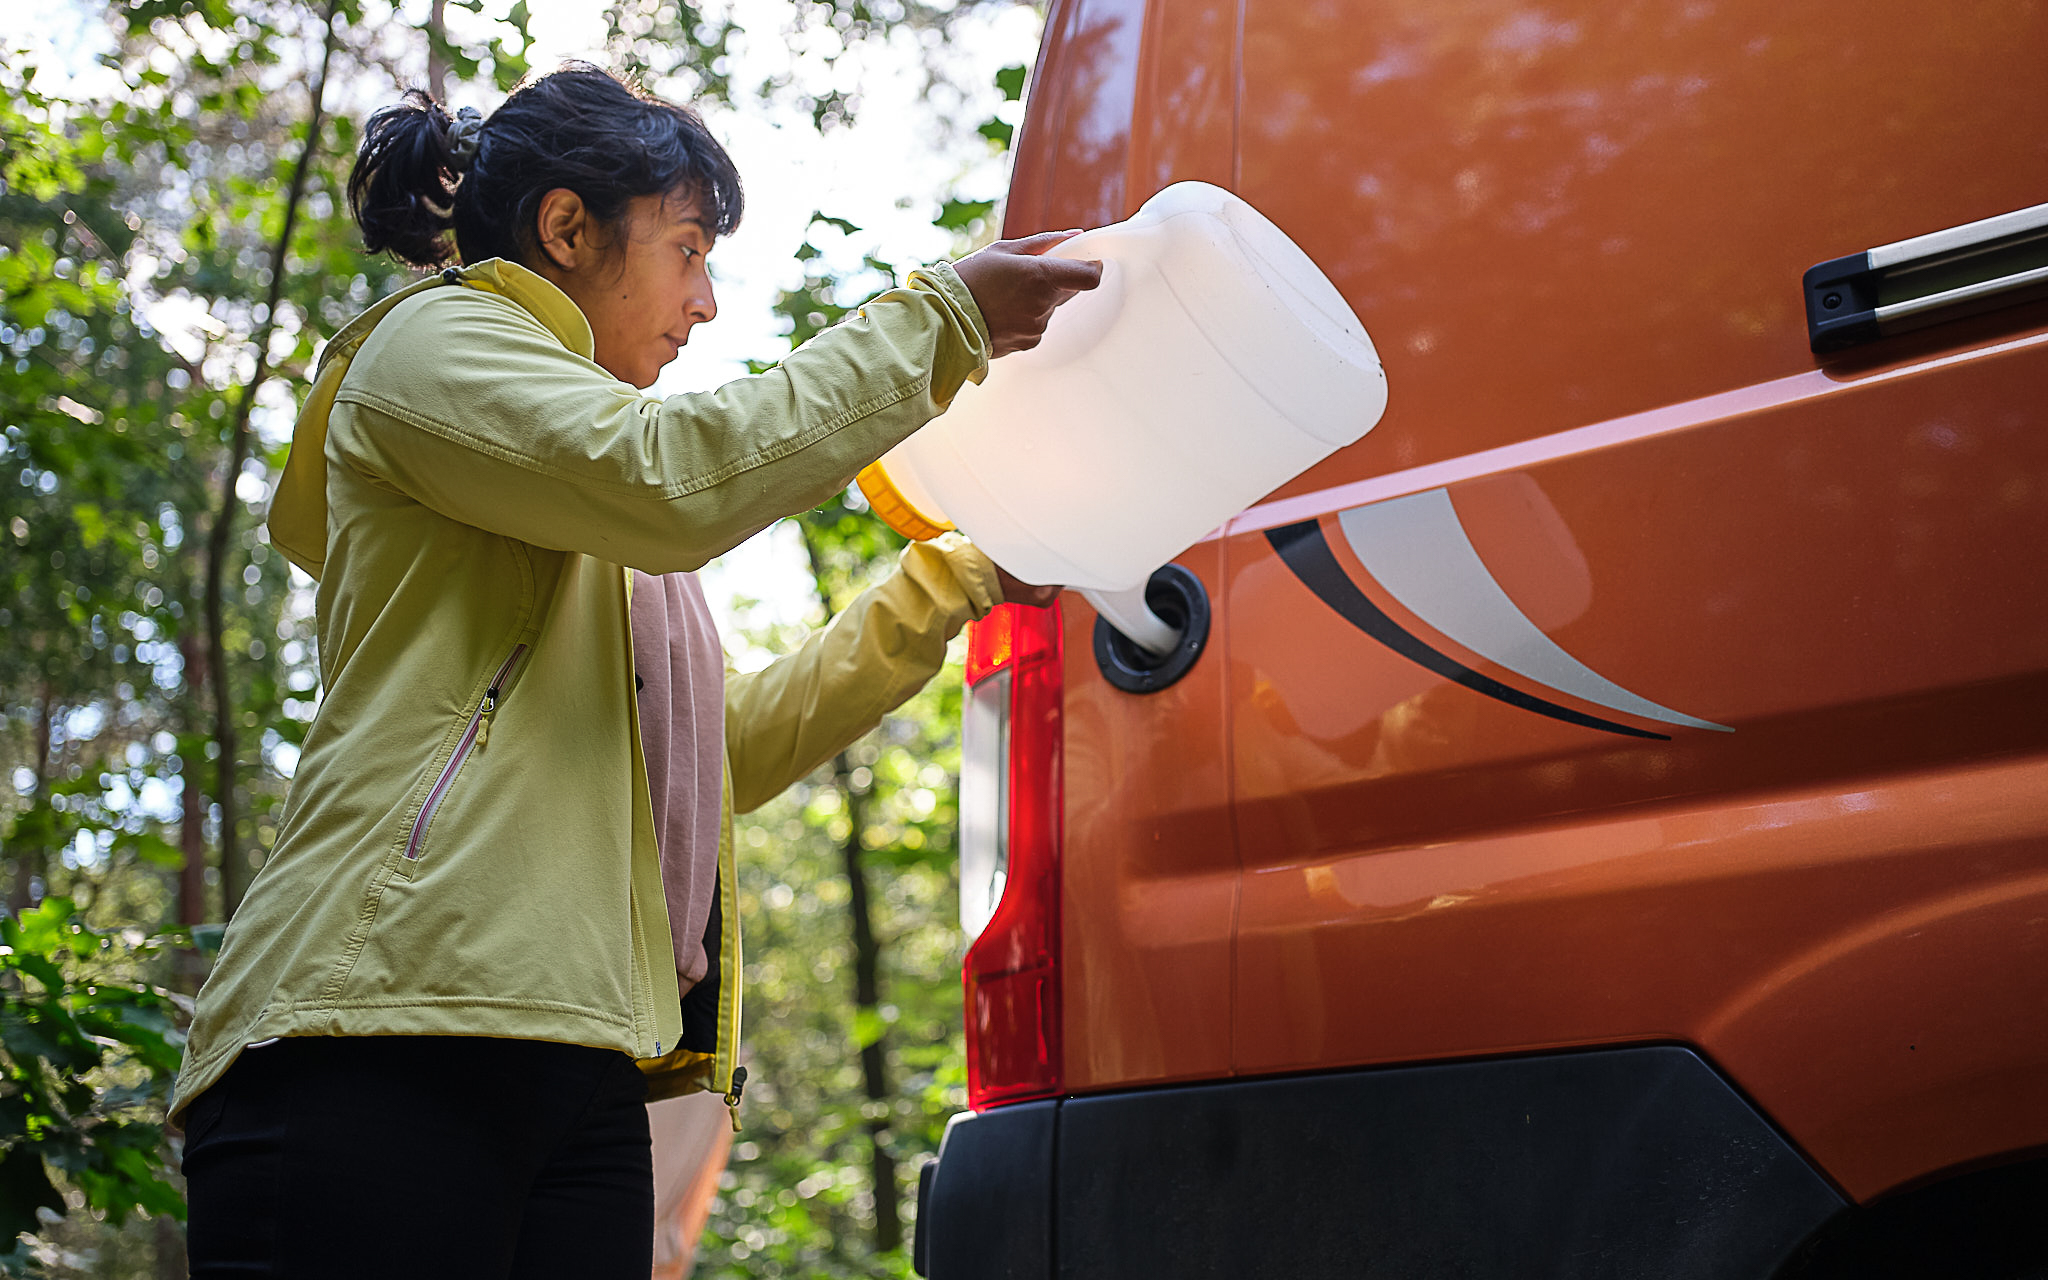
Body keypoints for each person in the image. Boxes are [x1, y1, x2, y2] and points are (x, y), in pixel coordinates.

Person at [174, 62, 1097, 1279]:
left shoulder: (602, 519)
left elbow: (718, 756)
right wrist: (945, 317)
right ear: (567, 228)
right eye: (689, 249)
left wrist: (957, 573)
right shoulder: (436, 346)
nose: (705, 301)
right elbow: (674, 481)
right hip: (377, 1031)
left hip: (580, 1070)